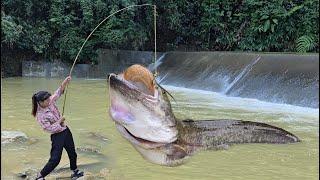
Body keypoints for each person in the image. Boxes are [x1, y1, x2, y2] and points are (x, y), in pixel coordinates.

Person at [31, 76, 84, 180]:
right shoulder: (40, 115)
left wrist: (64, 83)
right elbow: (48, 129)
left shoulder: (49, 101)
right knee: (55, 159)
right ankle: (40, 176)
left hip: (65, 131)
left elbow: (58, 93)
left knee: (72, 153)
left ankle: (74, 171)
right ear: (40, 102)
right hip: (57, 136)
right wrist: (60, 121)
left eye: (48, 99)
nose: (49, 101)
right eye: (46, 100)